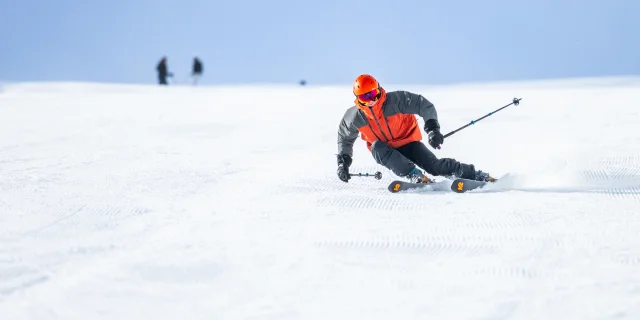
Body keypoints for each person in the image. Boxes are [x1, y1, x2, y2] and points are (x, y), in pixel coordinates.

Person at [336, 74, 497, 184]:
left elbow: (423, 105)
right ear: (358, 99)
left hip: (409, 143)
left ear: (379, 90)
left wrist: (433, 129)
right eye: (366, 97)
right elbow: (344, 138)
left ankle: (474, 175)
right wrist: (343, 164)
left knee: (435, 166)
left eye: (374, 94)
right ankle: (415, 175)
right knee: (376, 147)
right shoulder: (354, 117)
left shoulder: (396, 100)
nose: (372, 100)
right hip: (386, 151)